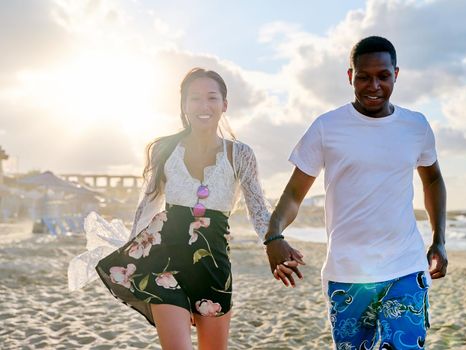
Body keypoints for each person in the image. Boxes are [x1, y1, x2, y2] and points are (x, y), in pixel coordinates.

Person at [69, 67, 298, 350]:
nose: (204, 106)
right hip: (163, 261)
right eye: (195, 99)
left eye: (212, 98)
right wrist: (131, 247)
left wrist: (274, 240)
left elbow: (258, 207)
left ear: (224, 104)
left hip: (212, 264)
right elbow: (148, 202)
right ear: (183, 105)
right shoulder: (165, 149)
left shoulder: (240, 154)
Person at [264, 36, 447, 349]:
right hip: (348, 273)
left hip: (406, 267)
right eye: (363, 77)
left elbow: (432, 180)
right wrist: (274, 235)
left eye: (383, 76)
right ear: (350, 76)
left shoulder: (416, 126)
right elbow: (295, 193)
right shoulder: (327, 127)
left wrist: (439, 238)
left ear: (396, 74)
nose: (373, 85)